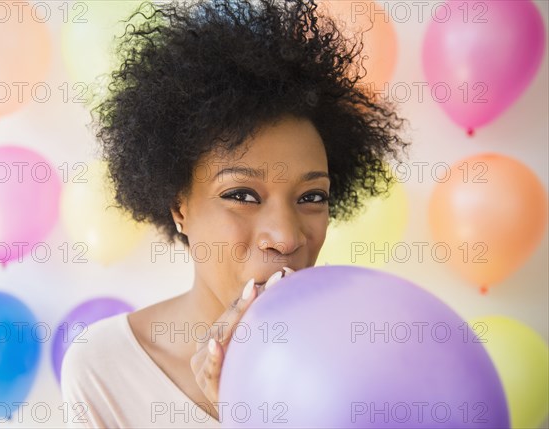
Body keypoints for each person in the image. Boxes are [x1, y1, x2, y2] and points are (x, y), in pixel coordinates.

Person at [60, 0, 408, 427]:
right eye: (242, 194)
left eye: (312, 196)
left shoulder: (367, 360)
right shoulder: (106, 368)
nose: (285, 237)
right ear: (179, 208)